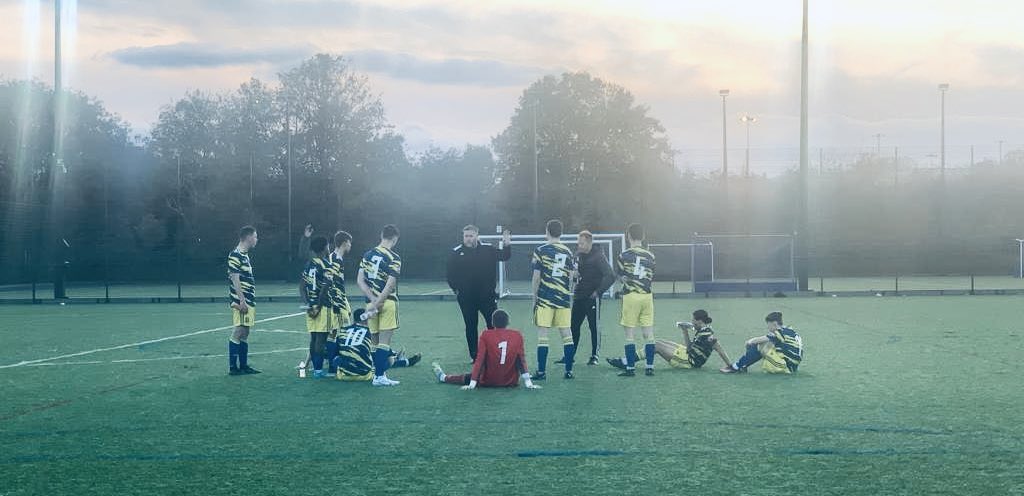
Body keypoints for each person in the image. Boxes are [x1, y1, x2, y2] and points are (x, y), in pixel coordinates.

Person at [446, 225, 512, 361]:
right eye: (466, 236)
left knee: (493, 325)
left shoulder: (488, 249)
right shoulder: (456, 252)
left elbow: (505, 256)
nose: (468, 239)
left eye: (471, 236)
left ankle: (496, 353)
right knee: (471, 326)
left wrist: (506, 243)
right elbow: (450, 274)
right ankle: (475, 356)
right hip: (466, 298)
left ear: (477, 235)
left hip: (487, 297)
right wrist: (457, 290)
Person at [431, 309, 540, 390]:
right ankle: (446, 377)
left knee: (467, 376)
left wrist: (472, 384)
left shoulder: (486, 335)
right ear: (508, 322)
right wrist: (528, 383)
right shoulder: (517, 335)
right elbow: (521, 360)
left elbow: (480, 360)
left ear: (492, 323)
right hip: (510, 382)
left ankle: (444, 377)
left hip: (488, 381)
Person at [357, 224, 403, 387]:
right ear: (395, 239)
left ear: (381, 235)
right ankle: (379, 377)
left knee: (374, 342)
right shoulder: (394, 257)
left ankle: (377, 374)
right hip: (387, 302)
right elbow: (390, 284)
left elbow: (360, 281)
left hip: (370, 305)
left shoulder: (367, 255)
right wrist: (379, 302)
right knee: (384, 342)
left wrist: (372, 301)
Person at [531, 219, 577, 380]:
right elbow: (572, 277)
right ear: (561, 232)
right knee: (567, 334)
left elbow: (536, 277)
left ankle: (541, 372)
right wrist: (567, 293)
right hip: (563, 299)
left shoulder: (541, 250)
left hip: (545, 299)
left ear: (547, 231)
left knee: (543, 335)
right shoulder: (568, 252)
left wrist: (534, 298)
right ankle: (569, 371)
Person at [609, 310, 731, 370]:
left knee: (656, 346)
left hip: (690, 362)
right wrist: (685, 331)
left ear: (700, 321)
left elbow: (720, 350)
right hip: (688, 354)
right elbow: (689, 347)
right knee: (659, 341)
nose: (692, 322)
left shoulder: (708, 335)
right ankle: (627, 360)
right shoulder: (702, 330)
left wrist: (730, 366)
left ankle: (626, 362)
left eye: (693, 320)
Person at [564, 230, 615, 366]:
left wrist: (598, 292)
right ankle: (570, 355)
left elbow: (610, 276)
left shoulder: (598, 257)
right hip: (579, 296)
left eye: (581, 243)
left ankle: (594, 356)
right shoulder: (578, 255)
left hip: (592, 298)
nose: (579, 246)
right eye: (578, 243)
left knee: (594, 327)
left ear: (589, 242)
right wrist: (574, 275)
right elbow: (576, 273)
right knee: (573, 326)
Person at [612, 223, 657, 377]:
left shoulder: (624, 255)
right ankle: (649, 367)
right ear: (643, 237)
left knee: (629, 335)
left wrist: (625, 279)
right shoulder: (651, 256)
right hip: (647, 296)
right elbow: (651, 275)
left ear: (628, 236)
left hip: (631, 296)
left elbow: (620, 276)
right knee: (648, 334)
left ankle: (630, 368)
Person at [334, 309, 421, 381]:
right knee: (385, 358)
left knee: (352, 355)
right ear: (365, 319)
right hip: (364, 375)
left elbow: (336, 351)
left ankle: (402, 359)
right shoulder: (371, 332)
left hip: (343, 376)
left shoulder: (343, 330)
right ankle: (404, 361)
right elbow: (386, 353)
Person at [720, 312, 803, 374]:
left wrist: (749, 342)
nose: (768, 327)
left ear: (775, 324)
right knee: (767, 344)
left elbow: (756, 341)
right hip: (792, 366)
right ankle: (742, 366)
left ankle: (736, 367)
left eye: (768, 325)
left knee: (759, 346)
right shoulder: (789, 330)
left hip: (785, 367)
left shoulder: (778, 332)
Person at [227, 226, 260, 375]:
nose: (256, 239)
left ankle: (244, 366)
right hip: (241, 300)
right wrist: (241, 300)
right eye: (255, 236)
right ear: (248, 237)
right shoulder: (235, 255)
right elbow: (235, 278)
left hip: (248, 299)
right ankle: (233, 368)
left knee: (245, 332)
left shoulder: (245, 255)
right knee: (238, 331)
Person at [300, 236, 332, 378]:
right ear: (325, 247)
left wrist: (308, 304)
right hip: (322, 306)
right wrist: (318, 306)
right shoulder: (326, 264)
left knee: (313, 338)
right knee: (321, 338)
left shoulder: (309, 264)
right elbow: (325, 287)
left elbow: (302, 286)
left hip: (310, 306)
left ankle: (315, 368)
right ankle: (318, 370)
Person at [323, 230, 353, 375]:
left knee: (335, 331)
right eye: (349, 242)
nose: (350, 245)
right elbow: (329, 278)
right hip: (336, 301)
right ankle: (332, 367)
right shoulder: (336, 258)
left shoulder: (334, 256)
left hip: (339, 299)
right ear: (345, 243)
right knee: (336, 332)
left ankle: (332, 363)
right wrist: (335, 299)